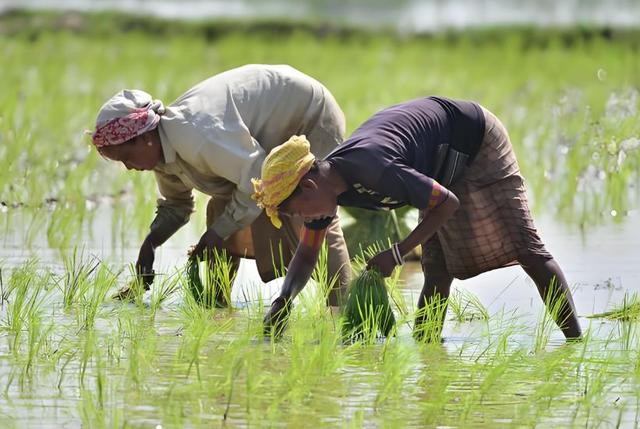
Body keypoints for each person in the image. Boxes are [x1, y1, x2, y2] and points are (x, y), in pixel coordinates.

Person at [253, 96, 582, 340]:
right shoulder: (325, 193)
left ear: (308, 186)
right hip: (434, 165)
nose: (302, 218)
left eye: (297, 211)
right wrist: (284, 298)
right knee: (437, 267)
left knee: (527, 248)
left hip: (475, 140)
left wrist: (396, 254)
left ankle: (575, 342)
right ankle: (429, 349)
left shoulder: (373, 167)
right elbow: (309, 252)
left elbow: (448, 203)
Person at [90, 64, 351, 306]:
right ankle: (217, 304)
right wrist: (150, 245)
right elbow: (177, 206)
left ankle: (346, 311)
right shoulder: (163, 155)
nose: (128, 167)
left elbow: (256, 181)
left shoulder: (196, 136)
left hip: (308, 116)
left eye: (126, 157)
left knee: (313, 217)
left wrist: (216, 233)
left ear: (145, 138)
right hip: (266, 136)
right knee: (220, 211)